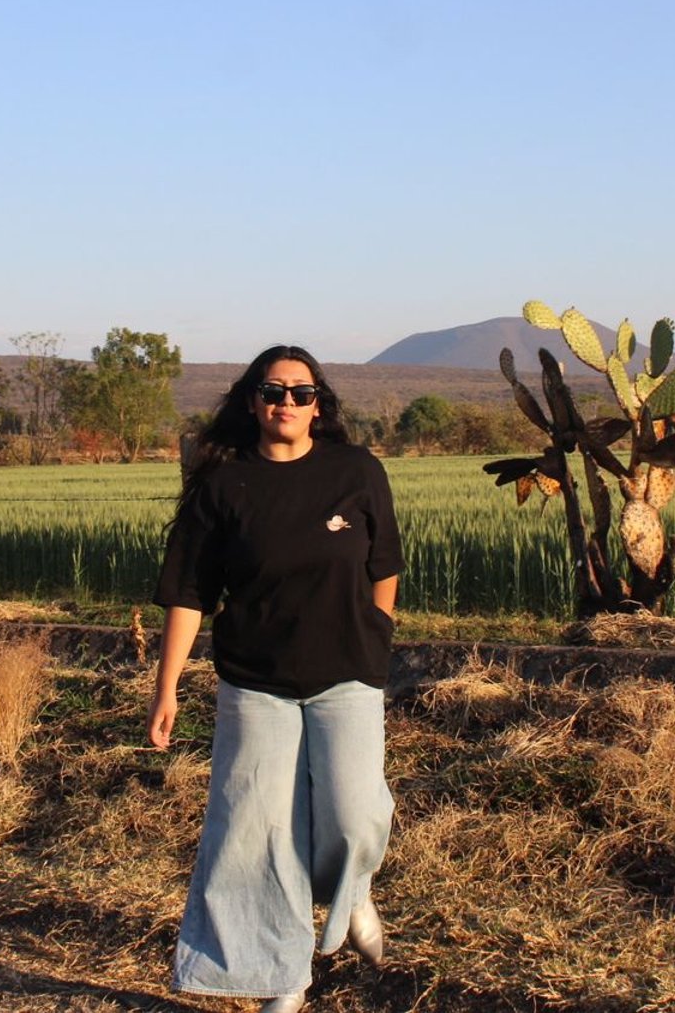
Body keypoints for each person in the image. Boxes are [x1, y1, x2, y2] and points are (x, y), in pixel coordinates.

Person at [148, 345, 402, 1012]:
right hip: (255, 680)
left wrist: (375, 632)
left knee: (353, 814)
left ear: (319, 403)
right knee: (259, 833)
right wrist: (167, 686)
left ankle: (353, 893)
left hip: (348, 670)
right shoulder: (223, 486)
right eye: (272, 391)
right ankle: (282, 978)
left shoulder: (357, 470)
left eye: (299, 391)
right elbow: (189, 592)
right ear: (252, 401)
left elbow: (385, 564)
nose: (285, 402)